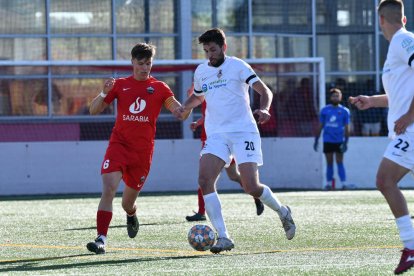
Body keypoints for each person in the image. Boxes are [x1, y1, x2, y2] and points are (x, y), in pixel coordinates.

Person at [174, 28, 296, 254]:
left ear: (223, 47)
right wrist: (185, 106)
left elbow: (264, 91)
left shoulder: (238, 66)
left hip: (243, 132)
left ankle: (282, 211)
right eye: (206, 50)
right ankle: (224, 237)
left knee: (251, 186)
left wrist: (265, 109)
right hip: (216, 135)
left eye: (213, 49)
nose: (209, 54)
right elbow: (199, 95)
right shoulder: (201, 71)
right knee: (204, 179)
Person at [86, 42, 189, 254]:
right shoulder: (119, 84)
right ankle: (101, 239)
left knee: (127, 203)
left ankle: (131, 214)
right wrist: (104, 93)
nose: (144, 67)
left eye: (148, 63)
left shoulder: (160, 88)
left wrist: (188, 106)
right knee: (108, 188)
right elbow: (93, 110)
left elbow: (178, 111)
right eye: (140, 63)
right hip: (119, 145)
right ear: (132, 62)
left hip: (142, 154)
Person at [350, 1, 414, 274]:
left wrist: (411, 115)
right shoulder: (398, 45)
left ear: (380, 21)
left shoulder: (403, 40)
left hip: (411, 130)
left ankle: (411, 247)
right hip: (407, 129)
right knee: (386, 181)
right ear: (404, 18)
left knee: (384, 180)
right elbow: (400, 96)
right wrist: (372, 101)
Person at [185, 98, 265, 222]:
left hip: (221, 140)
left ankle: (256, 194)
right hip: (211, 141)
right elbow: (208, 116)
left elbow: (219, 116)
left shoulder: (217, 91)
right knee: (228, 176)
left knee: (210, 179)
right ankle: (202, 212)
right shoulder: (206, 91)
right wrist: (198, 123)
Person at [314, 88, 351, 190]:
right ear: (330, 97)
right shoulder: (325, 110)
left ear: (341, 97)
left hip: (339, 140)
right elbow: (320, 125)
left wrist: (346, 142)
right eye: (334, 96)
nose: (336, 97)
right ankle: (329, 183)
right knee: (329, 162)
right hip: (328, 140)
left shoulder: (345, 111)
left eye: (337, 95)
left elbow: (347, 127)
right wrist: (316, 139)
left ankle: (344, 183)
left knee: (340, 162)